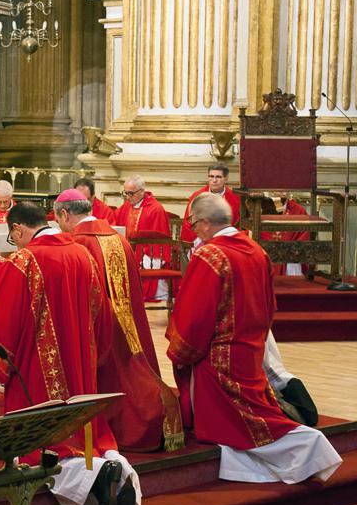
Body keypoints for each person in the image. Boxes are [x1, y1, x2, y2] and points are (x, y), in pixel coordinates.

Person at [0, 201, 140, 505]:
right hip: (79, 362)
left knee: (45, 440)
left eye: (14, 237)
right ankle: (116, 468)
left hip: (38, 369)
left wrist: (4, 366)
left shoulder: (25, 260)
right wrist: (92, 354)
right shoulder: (81, 253)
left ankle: (94, 480)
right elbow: (102, 312)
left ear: (17, 229)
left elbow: (1, 320)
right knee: (87, 433)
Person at [166, 193, 341, 484]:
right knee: (240, 425)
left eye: (194, 224)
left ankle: (312, 449)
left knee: (246, 424)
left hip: (218, 360)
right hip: (252, 352)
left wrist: (181, 351)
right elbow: (269, 306)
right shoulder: (256, 250)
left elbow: (195, 317)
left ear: (207, 223)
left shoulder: (210, 256)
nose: (194, 231)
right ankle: (251, 470)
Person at [55, 189, 184, 452]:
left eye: (58, 219)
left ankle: (124, 422)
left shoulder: (77, 244)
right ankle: (155, 408)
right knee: (133, 365)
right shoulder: (118, 238)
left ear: (65, 214)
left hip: (100, 327)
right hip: (129, 322)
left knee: (112, 375)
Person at [114, 174, 173, 302]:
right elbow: (114, 222)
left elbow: (159, 241)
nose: (128, 197)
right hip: (128, 251)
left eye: (131, 193)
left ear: (142, 191)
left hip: (149, 255)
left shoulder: (155, 209)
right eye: (126, 193)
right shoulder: (126, 206)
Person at [180, 163, 242, 244]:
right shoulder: (197, 196)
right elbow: (189, 222)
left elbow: (239, 225)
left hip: (226, 239)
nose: (214, 180)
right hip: (200, 238)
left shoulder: (235, 198)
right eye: (211, 176)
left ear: (226, 178)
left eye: (218, 177)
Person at [260, 196, 310, 276]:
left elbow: (304, 235)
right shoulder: (260, 207)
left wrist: (292, 249)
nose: (279, 191)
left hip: (291, 255)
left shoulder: (298, 210)